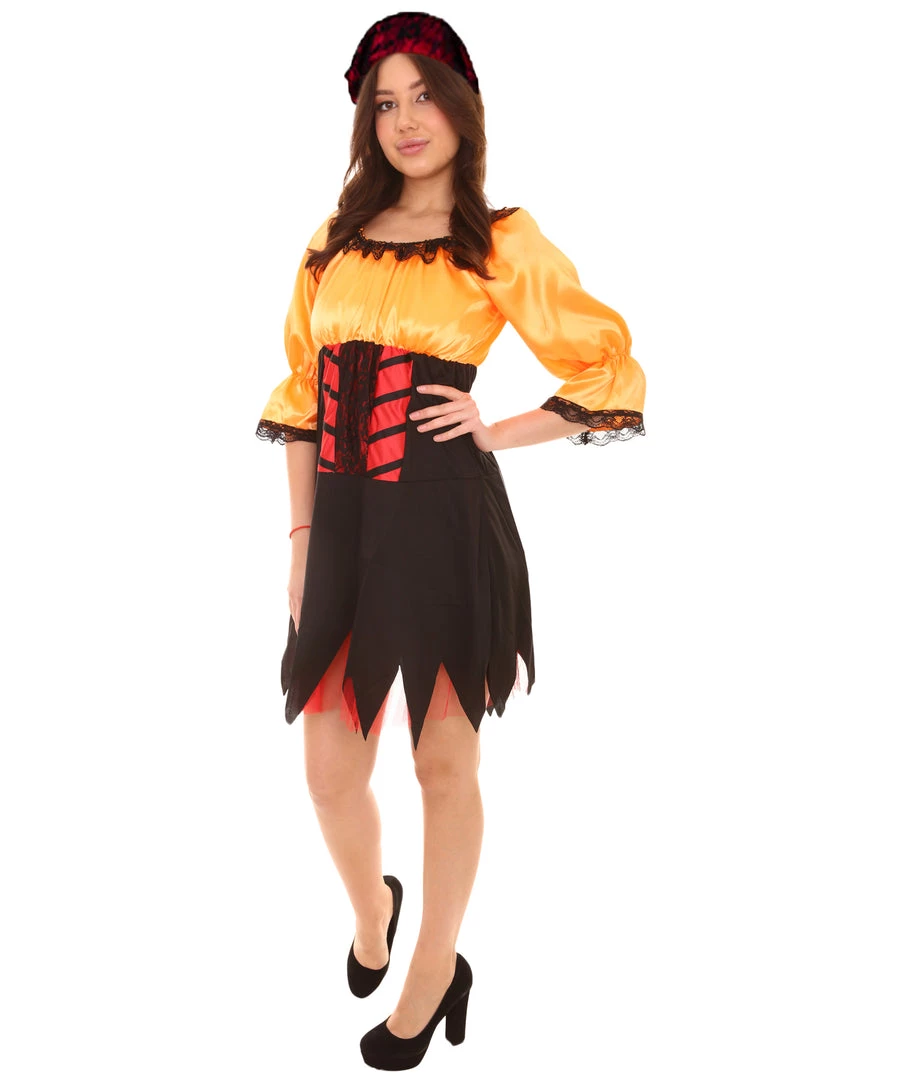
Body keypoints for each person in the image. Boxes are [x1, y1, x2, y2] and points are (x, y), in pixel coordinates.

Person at [254, 11, 647, 1070]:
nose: (404, 119)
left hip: (440, 518)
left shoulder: (498, 239)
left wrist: (496, 428)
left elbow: (605, 365)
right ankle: (373, 913)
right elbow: (300, 394)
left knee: (441, 762)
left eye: (423, 95)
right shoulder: (331, 239)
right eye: (383, 103)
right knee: (327, 770)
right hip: (340, 523)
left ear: (463, 107)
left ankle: (434, 967)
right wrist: (300, 537)